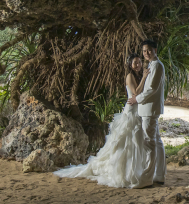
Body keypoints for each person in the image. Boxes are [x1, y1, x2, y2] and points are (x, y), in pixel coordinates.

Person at [53, 53, 154, 188]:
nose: (138, 65)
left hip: (139, 110)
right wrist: (145, 78)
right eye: (135, 62)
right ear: (130, 65)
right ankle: (125, 172)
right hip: (131, 111)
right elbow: (136, 93)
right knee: (128, 140)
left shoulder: (139, 76)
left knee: (137, 140)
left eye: (139, 62)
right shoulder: (130, 76)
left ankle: (137, 170)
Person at [127, 39, 167, 186]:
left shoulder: (157, 66)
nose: (146, 53)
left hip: (149, 109)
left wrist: (136, 99)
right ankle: (159, 175)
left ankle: (146, 179)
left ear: (155, 50)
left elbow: (151, 89)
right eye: (144, 51)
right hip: (149, 108)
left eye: (149, 50)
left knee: (149, 143)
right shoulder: (152, 65)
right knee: (156, 141)